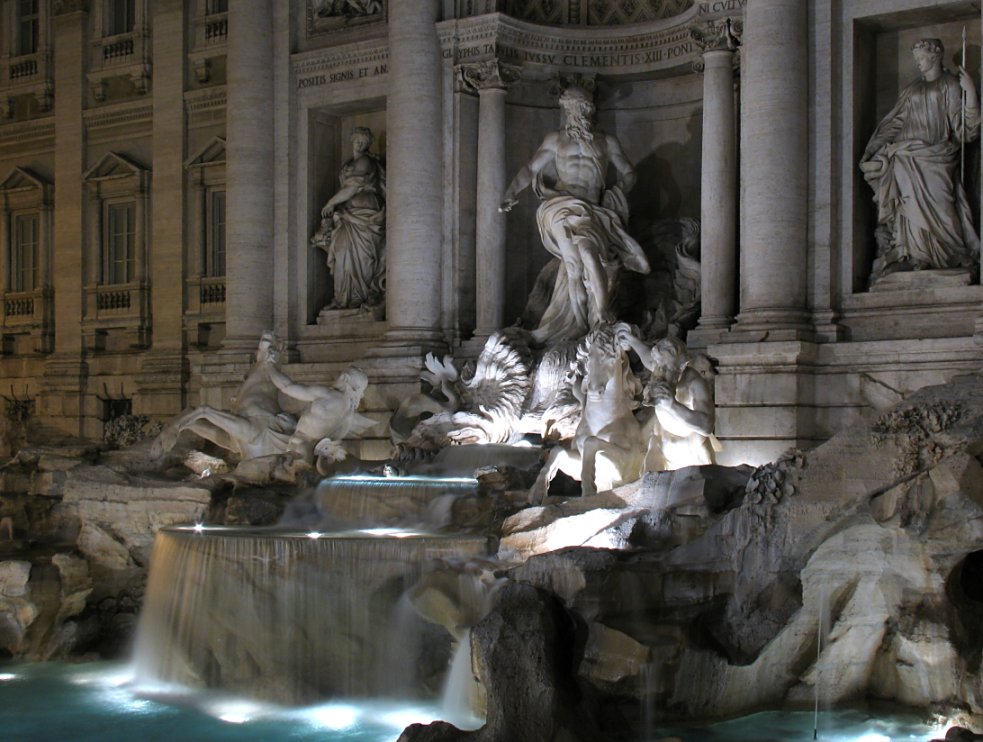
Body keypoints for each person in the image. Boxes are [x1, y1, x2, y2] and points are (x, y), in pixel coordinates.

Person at [500, 85, 650, 344]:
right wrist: (510, 191)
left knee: (589, 253)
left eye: (580, 108)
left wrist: (616, 192)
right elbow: (529, 169)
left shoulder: (606, 141)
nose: (575, 113)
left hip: (591, 209)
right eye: (571, 108)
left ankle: (601, 316)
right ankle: (580, 326)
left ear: (588, 110)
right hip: (561, 206)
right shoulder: (554, 140)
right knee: (572, 265)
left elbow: (629, 173)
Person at [860, 38, 980, 283]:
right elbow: (894, 122)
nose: (917, 63)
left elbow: (964, 130)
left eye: (921, 57)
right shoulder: (911, 89)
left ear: (935, 56)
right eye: (915, 58)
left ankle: (949, 254)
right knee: (909, 205)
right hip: (906, 156)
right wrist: (873, 149)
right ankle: (914, 254)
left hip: (938, 157)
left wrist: (971, 94)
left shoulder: (949, 85)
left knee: (943, 207)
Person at [616, 327, 718, 471]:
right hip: (662, 438)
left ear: (680, 367)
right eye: (658, 365)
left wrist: (672, 405)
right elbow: (647, 357)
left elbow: (707, 426)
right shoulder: (660, 368)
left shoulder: (695, 383)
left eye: (665, 367)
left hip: (691, 442)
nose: (659, 370)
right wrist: (631, 340)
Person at [312, 126, 386, 309]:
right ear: (352, 141)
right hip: (348, 216)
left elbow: (354, 187)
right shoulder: (348, 165)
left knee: (364, 258)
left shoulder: (365, 162)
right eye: (357, 141)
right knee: (342, 252)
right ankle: (343, 298)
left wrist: (330, 203)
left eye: (364, 142)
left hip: (365, 215)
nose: (360, 144)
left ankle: (362, 297)